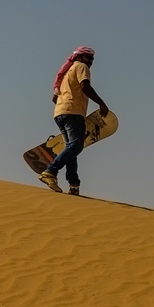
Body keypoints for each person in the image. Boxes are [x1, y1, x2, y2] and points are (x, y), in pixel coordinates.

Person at [38, 46, 109, 196]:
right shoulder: (81, 67)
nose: (90, 61)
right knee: (76, 146)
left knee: (71, 148)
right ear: (79, 57)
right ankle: (50, 171)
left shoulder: (65, 73)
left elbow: (54, 98)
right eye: (88, 58)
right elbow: (85, 86)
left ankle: (74, 184)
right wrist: (101, 103)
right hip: (73, 113)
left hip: (60, 113)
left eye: (92, 59)